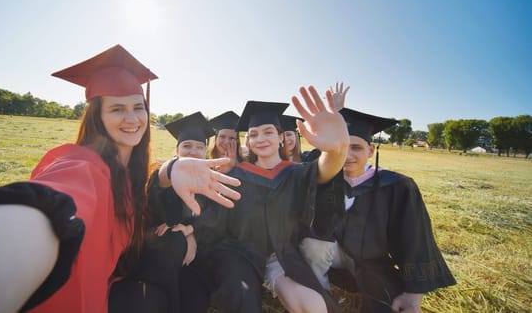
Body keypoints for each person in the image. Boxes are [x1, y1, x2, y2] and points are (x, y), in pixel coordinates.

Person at [0, 44, 241, 313]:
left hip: (111, 282)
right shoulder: (83, 164)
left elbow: (144, 193)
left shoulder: (131, 172)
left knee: (165, 269)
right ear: (96, 116)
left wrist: (170, 173)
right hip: (78, 297)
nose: (132, 118)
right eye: (116, 109)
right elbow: (59, 196)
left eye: (138, 107)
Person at [185, 85, 350, 313]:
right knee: (241, 297)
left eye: (268, 132)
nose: (260, 139)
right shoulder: (237, 174)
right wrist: (192, 231)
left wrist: (337, 151)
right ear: (249, 142)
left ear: (281, 137)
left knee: (314, 307)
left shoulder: (296, 172)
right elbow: (215, 215)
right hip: (239, 252)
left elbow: (326, 170)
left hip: (280, 255)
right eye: (253, 135)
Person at [301, 108, 456, 313]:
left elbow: (414, 239)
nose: (347, 155)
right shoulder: (322, 178)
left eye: (355, 147)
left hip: (373, 264)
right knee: (313, 243)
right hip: (328, 259)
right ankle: (320, 295)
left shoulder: (397, 186)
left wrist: (413, 295)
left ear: (371, 150)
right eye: (341, 146)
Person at [109, 111, 216, 313]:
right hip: (157, 259)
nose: (193, 152)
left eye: (199, 147)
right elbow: (154, 197)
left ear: (206, 152)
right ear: (176, 150)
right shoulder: (161, 175)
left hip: (193, 261)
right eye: (187, 146)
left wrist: (191, 231)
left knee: (195, 301)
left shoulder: (212, 181)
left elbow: (214, 220)